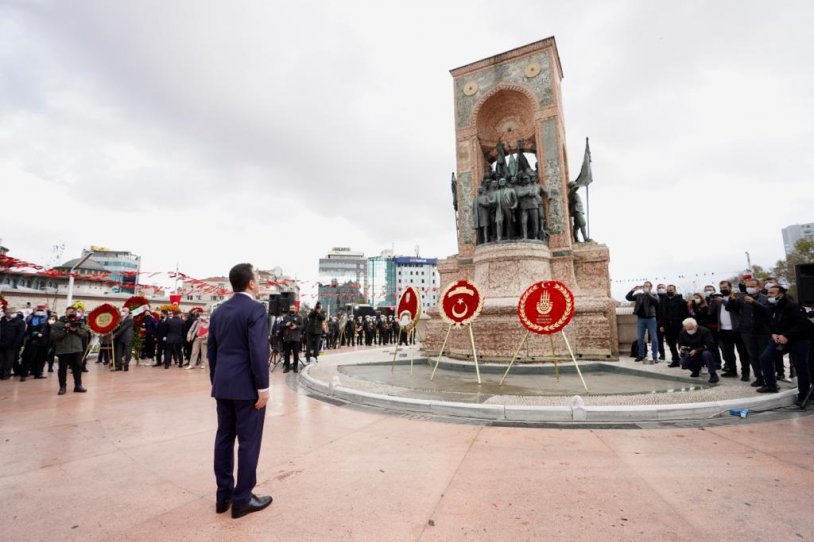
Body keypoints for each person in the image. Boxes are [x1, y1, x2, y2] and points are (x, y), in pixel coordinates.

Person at [207, 263, 272, 518]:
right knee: (248, 442)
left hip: (222, 385)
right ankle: (243, 498)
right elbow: (258, 350)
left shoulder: (218, 311)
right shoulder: (255, 309)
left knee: (224, 438)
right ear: (251, 283)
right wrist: (263, 387)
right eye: (258, 278)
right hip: (247, 388)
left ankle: (223, 496)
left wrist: (217, 381)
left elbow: (212, 350)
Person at [756, 285, 811, 403]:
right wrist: (772, 334)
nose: (768, 295)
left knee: (801, 366)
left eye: (771, 293)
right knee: (765, 358)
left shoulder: (793, 306)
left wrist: (787, 335)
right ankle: (771, 385)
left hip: (798, 339)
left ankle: (804, 395)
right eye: (768, 293)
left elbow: (802, 325)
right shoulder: (771, 307)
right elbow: (767, 323)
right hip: (778, 339)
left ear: (780, 294)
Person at [725, 279, 770, 385]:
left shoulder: (765, 298)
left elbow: (767, 311)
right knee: (752, 356)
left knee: (764, 356)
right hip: (746, 331)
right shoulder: (742, 298)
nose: (750, 288)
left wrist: (754, 302)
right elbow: (729, 308)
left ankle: (769, 379)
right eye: (748, 286)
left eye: (752, 286)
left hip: (762, 331)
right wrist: (731, 299)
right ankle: (759, 377)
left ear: (759, 287)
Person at [711, 280, 749, 378]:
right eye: (721, 288)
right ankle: (732, 370)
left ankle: (745, 372)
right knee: (728, 352)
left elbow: (732, 308)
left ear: (730, 287)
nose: (723, 290)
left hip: (737, 329)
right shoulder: (719, 299)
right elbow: (712, 312)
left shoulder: (737, 297)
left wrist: (723, 301)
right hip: (724, 329)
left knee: (742, 352)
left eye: (725, 287)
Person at [51, 305, 89, 395]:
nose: (72, 313)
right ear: (65, 312)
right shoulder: (58, 323)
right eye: (70, 311)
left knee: (78, 367)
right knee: (63, 368)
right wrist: (65, 329)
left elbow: (85, 334)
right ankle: (62, 387)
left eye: (73, 312)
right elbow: (54, 336)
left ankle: (78, 386)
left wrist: (75, 330)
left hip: (77, 349)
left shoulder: (79, 322)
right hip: (63, 349)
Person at [625, 282, 660, 363]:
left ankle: (655, 357)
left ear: (651, 287)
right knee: (640, 338)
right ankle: (641, 355)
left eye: (647, 286)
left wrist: (648, 293)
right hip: (641, 319)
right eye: (644, 286)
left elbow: (656, 302)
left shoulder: (654, 294)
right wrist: (633, 290)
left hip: (651, 319)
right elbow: (628, 297)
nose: (645, 287)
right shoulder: (639, 295)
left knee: (654, 339)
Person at [677, 318, 719, 383]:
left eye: (691, 329)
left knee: (706, 354)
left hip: (704, 353)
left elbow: (710, 344)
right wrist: (682, 349)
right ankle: (695, 370)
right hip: (691, 353)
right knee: (682, 361)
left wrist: (696, 350)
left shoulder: (705, 331)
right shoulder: (683, 333)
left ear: (696, 326)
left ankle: (713, 374)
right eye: (687, 329)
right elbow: (681, 344)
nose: (689, 331)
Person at [660, 285, 688, 366]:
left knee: (683, 344)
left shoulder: (681, 301)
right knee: (671, 345)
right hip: (667, 326)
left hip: (679, 326)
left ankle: (686, 360)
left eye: (671, 290)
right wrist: (661, 325)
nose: (669, 291)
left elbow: (685, 314)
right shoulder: (663, 301)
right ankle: (675, 359)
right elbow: (661, 314)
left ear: (675, 290)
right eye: (668, 290)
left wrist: (684, 325)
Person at [21, 304, 49, 380]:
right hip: (31, 340)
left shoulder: (46, 317)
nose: (40, 310)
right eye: (39, 309)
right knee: (28, 357)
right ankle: (24, 374)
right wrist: (33, 312)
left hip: (42, 341)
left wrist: (47, 310)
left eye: (42, 309)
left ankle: (38, 373)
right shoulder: (32, 317)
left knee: (40, 358)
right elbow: (27, 321)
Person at [0, 307, 26, 380]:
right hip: (2, 343)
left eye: (11, 313)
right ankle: (1, 373)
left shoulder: (20, 322)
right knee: (1, 359)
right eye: (8, 313)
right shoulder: (3, 320)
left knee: (9, 360)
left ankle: (6, 374)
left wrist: (15, 344)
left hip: (11, 344)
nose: (9, 314)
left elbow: (20, 334)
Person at [280, 304, 303, 373]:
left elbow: (302, 326)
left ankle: (295, 367)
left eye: (293, 308)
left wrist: (296, 327)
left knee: (296, 353)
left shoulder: (299, 317)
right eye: (290, 308)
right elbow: (281, 326)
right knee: (287, 353)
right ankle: (287, 367)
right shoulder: (285, 317)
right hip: (287, 338)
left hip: (295, 338)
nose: (291, 310)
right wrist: (286, 325)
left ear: (295, 309)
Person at [113, 306, 134, 371]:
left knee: (127, 352)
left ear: (127, 312)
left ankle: (126, 365)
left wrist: (115, 335)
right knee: (119, 352)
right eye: (122, 311)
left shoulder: (129, 319)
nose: (122, 312)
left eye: (124, 311)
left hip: (127, 337)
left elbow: (123, 328)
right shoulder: (120, 319)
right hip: (120, 338)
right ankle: (118, 366)